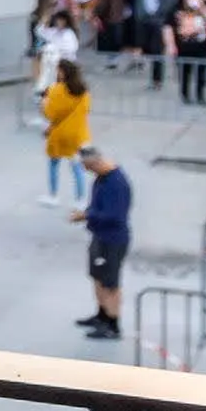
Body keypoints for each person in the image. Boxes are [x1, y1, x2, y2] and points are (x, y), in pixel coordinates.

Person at [75, 142, 131, 339]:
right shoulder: (101, 179)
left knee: (111, 283)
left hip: (112, 240)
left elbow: (114, 215)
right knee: (98, 277)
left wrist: (87, 216)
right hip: (100, 237)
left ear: (96, 163)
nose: (89, 172)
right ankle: (102, 314)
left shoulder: (116, 183)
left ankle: (113, 324)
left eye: (88, 168)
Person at [42, 56, 92, 201]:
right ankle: (80, 200)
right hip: (78, 134)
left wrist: (45, 102)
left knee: (53, 164)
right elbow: (86, 110)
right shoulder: (84, 92)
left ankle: (53, 196)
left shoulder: (55, 90)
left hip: (59, 134)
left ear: (62, 72)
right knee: (77, 168)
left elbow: (50, 114)